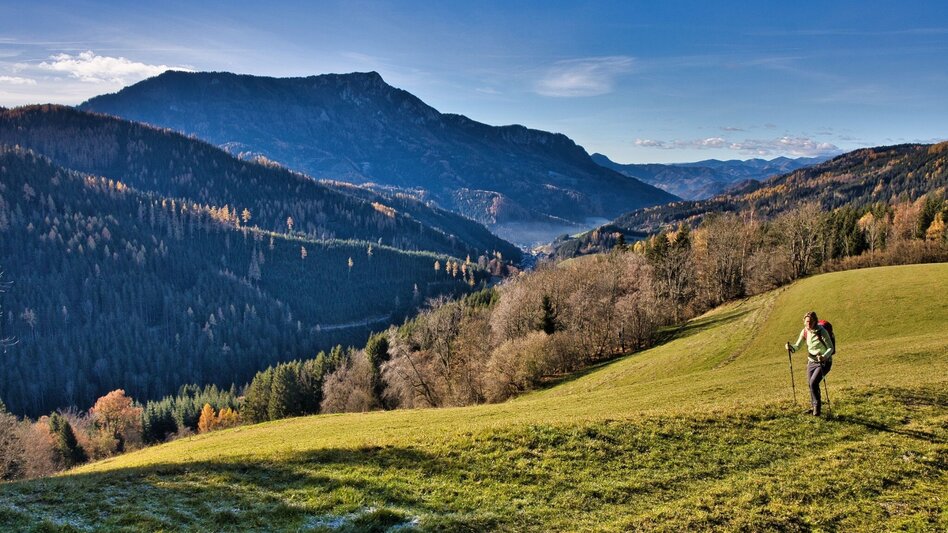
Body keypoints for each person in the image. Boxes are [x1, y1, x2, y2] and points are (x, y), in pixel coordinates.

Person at [786, 311, 835, 416]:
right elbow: (797, 346)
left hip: (824, 362)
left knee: (813, 383)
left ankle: (816, 410)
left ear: (815, 321)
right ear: (804, 321)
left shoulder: (822, 331)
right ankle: (814, 407)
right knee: (811, 384)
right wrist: (790, 347)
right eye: (807, 321)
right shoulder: (804, 332)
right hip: (811, 361)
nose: (808, 323)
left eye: (811, 321)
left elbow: (831, 348)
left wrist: (824, 356)